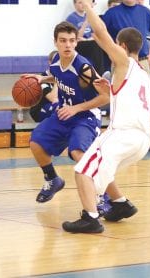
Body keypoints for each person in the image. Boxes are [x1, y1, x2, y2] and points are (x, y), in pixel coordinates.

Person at [62, 0, 150, 234]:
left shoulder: (124, 62)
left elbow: (101, 33)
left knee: (82, 170)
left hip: (124, 134)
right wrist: (109, 91)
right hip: (142, 140)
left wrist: (87, 5)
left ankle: (90, 218)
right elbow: (102, 41)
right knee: (101, 169)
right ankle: (120, 205)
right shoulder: (141, 72)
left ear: (121, 45)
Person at [24, 21, 109, 203]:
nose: (68, 45)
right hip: (64, 114)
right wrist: (41, 78)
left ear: (77, 42)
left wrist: (76, 108)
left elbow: (106, 97)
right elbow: (57, 75)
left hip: (86, 116)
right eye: (63, 41)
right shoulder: (56, 62)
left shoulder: (84, 68)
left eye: (71, 40)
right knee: (36, 141)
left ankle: (103, 196)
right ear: (56, 42)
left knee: (79, 153)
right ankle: (52, 179)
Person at [101, 0, 150, 77]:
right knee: (121, 89)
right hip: (121, 62)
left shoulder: (145, 11)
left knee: (143, 88)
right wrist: (110, 51)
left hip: (142, 61)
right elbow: (98, 33)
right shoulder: (111, 13)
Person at [66, 0, 105, 75]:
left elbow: (97, 35)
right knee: (95, 45)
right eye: (80, 2)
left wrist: (87, 39)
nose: (82, 5)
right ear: (74, 4)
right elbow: (76, 37)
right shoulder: (71, 18)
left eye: (83, 2)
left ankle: (100, 73)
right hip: (78, 45)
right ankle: (99, 74)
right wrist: (86, 22)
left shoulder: (90, 16)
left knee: (100, 44)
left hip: (89, 42)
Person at [29, 50, 59, 123]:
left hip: (54, 105)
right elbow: (53, 98)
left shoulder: (66, 76)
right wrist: (57, 79)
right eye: (56, 61)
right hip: (39, 110)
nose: (59, 63)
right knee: (57, 107)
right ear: (50, 62)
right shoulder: (42, 79)